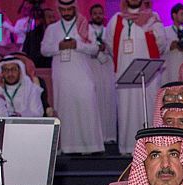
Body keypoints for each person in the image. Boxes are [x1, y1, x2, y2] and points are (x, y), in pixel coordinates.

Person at [41, 0, 104, 154]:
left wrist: (78, 45)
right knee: (66, 110)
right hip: (62, 77)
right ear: (59, 10)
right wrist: (58, 46)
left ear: (74, 9)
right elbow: (44, 50)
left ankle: (91, 146)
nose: (67, 12)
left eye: (70, 9)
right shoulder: (52, 28)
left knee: (87, 106)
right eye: (64, 10)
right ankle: (69, 147)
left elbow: (94, 48)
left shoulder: (84, 26)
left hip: (83, 75)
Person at [108, 0, 165, 155]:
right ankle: (128, 147)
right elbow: (110, 45)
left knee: (149, 108)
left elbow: (161, 43)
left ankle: (150, 147)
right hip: (124, 75)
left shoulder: (152, 18)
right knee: (126, 110)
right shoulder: (116, 19)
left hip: (148, 76)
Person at [87, 3, 118, 146]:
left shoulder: (108, 31)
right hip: (93, 66)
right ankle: (97, 136)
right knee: (96, 99)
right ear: (91, 15)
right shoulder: (87, 31)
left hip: (107, 66)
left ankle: (110, 135)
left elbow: (114, 48)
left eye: (100, 13)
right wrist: (95, 49)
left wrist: (106, 47)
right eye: (95, 13)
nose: (98, 16)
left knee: (109, 100)